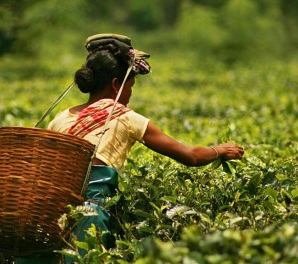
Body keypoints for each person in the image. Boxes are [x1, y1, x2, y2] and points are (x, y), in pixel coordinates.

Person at [17, 33, 244, 263]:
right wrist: (220, 150)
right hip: (88, 215)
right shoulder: (126, 117)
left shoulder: (61, 117)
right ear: (116, 84)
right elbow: (190, 156)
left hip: (47, 214)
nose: (131, 93)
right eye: (131, 85)